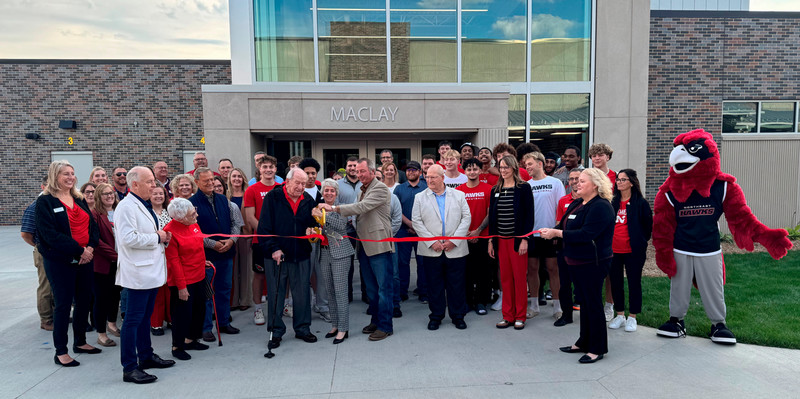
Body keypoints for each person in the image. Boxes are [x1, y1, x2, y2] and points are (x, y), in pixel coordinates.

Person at [540, 168, 616, 364]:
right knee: (584, 304)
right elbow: (565, 226)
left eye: (582, 181)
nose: (577, 184)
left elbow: (586, 234)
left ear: (596, 185)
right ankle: (584, 341)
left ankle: (597, 348)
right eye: (577, 181)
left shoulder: (601, 206)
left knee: (593, 305)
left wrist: (557, 234)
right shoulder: (577, 204)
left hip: (593, 263)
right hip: (575, 260)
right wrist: (550, 231)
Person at [319, 158, 395, 342]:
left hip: (378, 245)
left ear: (370, 171)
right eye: (357, 172)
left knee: (383, 289)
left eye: (362, 171)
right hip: (365, 246)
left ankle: (385, 326)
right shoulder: (363, 189)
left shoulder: (379, 188)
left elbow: (361, 207)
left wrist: (335, 208)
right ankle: (376, 321)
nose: (359, 175)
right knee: (371, 289)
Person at [35, 160, 101, 367]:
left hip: (85, 258)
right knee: (63, 305)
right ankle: (61, 351)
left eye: (72, 173)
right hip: (60, 261)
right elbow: (49, 235)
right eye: (65, 174)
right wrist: (78, 250)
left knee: (84, 301)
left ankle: (80, 342)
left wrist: (90, 247)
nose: (71, 177)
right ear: (55, 176)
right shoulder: (45, 202)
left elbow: (93, 227)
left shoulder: (78, 198)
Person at [115, 166, 175, 383]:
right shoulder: (126, 207)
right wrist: (158, 237)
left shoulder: (143, 204)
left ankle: (146, 356)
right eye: (149, 181)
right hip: (138, 273)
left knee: (143, 319)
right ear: (135, 184)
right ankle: (129, 367)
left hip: (150, 271)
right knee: (132, 320)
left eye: (153, 181)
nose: (154, 185)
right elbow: (128, 239)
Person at [257, 168, 319, 349]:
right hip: (277, 255)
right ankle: (276, 331)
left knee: (302, 294)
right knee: (276, 294)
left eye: (304, 183)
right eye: (297, 183)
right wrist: (273, 249)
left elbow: (313, 223)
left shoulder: (308, 200)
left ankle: (302, 328)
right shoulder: (273, 198)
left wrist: (313, 230)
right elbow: (264, 228)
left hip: (300, 254)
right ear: (287, 181)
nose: (301, 187)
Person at [412, 165, 471, 330]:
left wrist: (455, 240)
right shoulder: (420, 197)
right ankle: (436, 316)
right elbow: (416, 221)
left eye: (433, 177)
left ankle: (458, 316)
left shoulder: (459, 195)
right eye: (427, 177)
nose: (429, 180)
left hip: (456, 249)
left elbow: (466, 218)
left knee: (457, 285)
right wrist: (432, 242)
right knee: (434, 286)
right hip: (432, 250)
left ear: (442, 177)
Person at [190, 167, 243, 342]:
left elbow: (236, 224)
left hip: (227, 254)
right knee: (207, 293)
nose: (211, 183)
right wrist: (212, 244)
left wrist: (231, 241)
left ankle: (223, 322)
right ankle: (206, 328)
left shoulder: (225, 201)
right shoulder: (191, 204)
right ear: (197, 182)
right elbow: (193, 230)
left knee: (224, 290)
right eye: (206, 181)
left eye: (212, 180)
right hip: (206, 257)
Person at [487, 156, 534, 331]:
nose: (504, 170)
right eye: (501, 167)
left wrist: (524, 239)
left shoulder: (523, 188)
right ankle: (507, 316)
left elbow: (529, 216)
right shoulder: (495, 189)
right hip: (501, 241)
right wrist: (491, 240)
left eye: (507, 167)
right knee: (505, 279)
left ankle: (520, 316)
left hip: (517, 241)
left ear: (514, 168)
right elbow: (492, 218)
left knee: (519, 279)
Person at [164, 198, 212, 361]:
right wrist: (181, 287)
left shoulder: (193, 224)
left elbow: (198, 246)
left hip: (199, 274)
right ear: (181, 217)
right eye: (193, 213)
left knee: (199, 309)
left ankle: (191, 339)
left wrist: (202, 261)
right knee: (182, 313)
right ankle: (177, 345)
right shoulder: (170, 232)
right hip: (183, 279)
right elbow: (174, 261)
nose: (196, 215)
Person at [522, 152, 565, 321]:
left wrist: (556, 230)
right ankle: (534, 306)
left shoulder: (555, 183)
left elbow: (561, 208)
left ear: (540, 163)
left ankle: (557, 306)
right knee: (532, 269)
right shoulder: (526, 185)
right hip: (532, 234)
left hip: (551, 233)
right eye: (525, 165)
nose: (528, 168)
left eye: (530, 164)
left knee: (553, 269)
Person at [608, 169, 653, 333]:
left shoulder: (641, 203)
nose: (619, 182)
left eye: (623, 179)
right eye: (618, 180)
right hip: (613, 250)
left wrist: (640, 241)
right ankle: (619, 315)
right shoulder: (611, 202)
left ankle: (632, 317)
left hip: (633, 251)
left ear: (631, 182)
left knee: (634, 283)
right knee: (616, 282)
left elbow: (647, 227)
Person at [314, 179, 356, 344]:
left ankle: (344, 328)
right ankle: (335, 324)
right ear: (322, 192)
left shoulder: (340, 209)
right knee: (329, 291)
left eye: (332, 191)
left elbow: (340, 225)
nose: (329, 193)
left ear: (336, 193)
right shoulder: (317, 208)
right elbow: (319, 229)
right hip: (324, 253)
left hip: (341, 253)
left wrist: (324, 214)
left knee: (340, 291)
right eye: (326, 190)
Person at [244, 155, 280, 325]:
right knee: (259, 274)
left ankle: (286, 304)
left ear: (275, 169)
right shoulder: (252, 190)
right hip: (261, 241)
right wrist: (267, 234)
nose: (268, 170)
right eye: (265, 167)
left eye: (271, 167)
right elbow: (250, 218)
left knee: (282, 273)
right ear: (259, 169)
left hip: (280, 240)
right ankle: (258, 308)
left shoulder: (282, 188)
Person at [456, 158, 492, 315]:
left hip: (483, 237)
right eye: (469, 169)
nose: (472, 172)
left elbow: (491, 213)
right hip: (464, 238)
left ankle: (481, 302)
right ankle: (468, 301)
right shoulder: (458, 190)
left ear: (480, 170)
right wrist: (466, 232)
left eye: (475, 169)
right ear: (464, 171)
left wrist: (478, 230)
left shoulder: (489, 189)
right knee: (467, 272)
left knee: (483, 272)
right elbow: (455, 215)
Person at [21, 175, 55, 331]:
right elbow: (26, 234)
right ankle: (46, 319)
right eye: (49, 185)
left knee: (55, 284)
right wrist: (39, 246)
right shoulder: (35, 207)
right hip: (43, 252)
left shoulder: (54, 203)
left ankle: (54, 313)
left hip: (56, 251)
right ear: (43, 187)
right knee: (46, 286)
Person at [392, 160, 428, 303]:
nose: (411, 172)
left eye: (414, 170)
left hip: (422, 232)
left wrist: (417, 226)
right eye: (408, 170)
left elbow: (429, 209)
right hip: (403, 231)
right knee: (402, 263)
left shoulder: (426, 187)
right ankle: (402, 292)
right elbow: (396, 210)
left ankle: (423, 292)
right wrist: (409, 223)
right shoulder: (399, 189)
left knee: (423, 263)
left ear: (420, 172)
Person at [91, 183, 122, 347]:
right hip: (103, 264)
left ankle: (112, 324)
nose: (109, 196)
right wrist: (117, 256)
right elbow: (97, 241)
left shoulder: (119, 211)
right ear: (98, 197)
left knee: (115, 296)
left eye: (111, 193)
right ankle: (101, 334)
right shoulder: (95, 214)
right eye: (105, 194)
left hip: (120, 263)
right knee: (101, 299)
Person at [554, 168, 583, 325]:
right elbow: (559, 223)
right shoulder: (563, 201)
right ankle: (566, 315)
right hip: (564, 248)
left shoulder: (590, 201)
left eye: (577, 178)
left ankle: (586, 314)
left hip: (581, 249)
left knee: (582, 284)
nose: (574, 182)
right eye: (571, 179)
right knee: (564, 283)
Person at [336, 156, 362, 303]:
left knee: (365, 262)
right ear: (346, 168)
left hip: (363, 228)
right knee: (348, 264)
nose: (352, 168)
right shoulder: (338, 184)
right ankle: (348, 295)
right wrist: (349, 219)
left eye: (355, 166)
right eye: (350, 166)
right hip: (346, 229)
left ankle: (366, 294)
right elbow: (336, 204)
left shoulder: (365, 183)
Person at [227, 167, 252, 311]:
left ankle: (245, 299)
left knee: (246, 268)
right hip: (229, 235)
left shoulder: (248, 193)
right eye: (234, 176)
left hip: (246, 234)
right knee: (233, 269)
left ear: (243, 179)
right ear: (230, 179)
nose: (237, 179)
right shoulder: (225, 195)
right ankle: (234, 300)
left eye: (239, 176)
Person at [149, 185, 172, 336]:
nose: (158, 196)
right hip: (154, 254)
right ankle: (156, 323)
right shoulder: (147, 213)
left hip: (169, 253)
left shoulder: (169, 213)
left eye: (161, 193)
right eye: (155, 193)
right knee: (156, 291)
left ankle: (170, 318)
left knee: (170, 289)